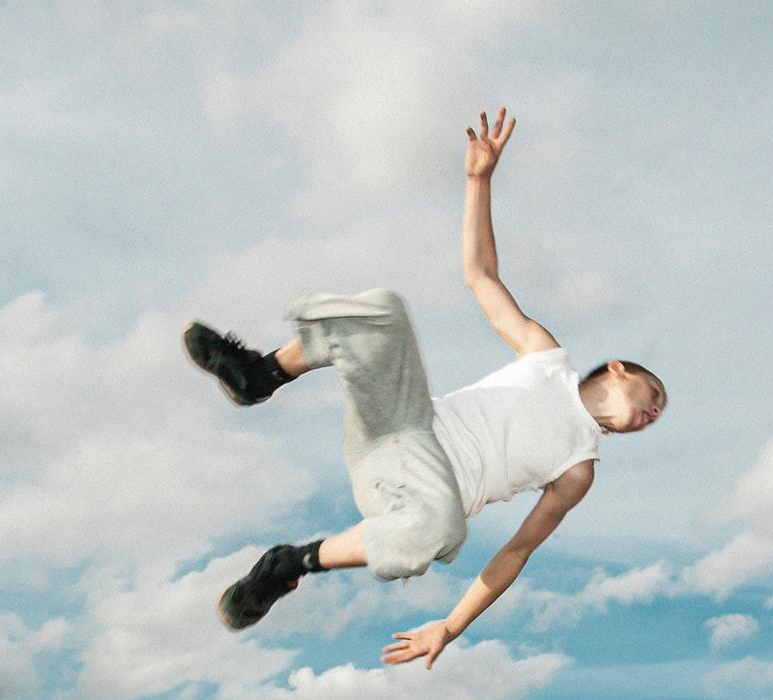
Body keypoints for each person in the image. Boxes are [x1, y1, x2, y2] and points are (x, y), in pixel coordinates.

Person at [183, 108, 666, 668]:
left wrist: (451, 627)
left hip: (423, 501)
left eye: (659, 413)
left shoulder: (579, 468)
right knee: (384, 310)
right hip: (401, 429)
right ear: (618, 369)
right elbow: (481, 276)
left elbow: (516, 551)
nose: (656, 410)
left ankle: (289, 564)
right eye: (653, 394)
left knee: (443, 528)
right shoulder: (545, 354)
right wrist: (478, 181)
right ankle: (260, 376)